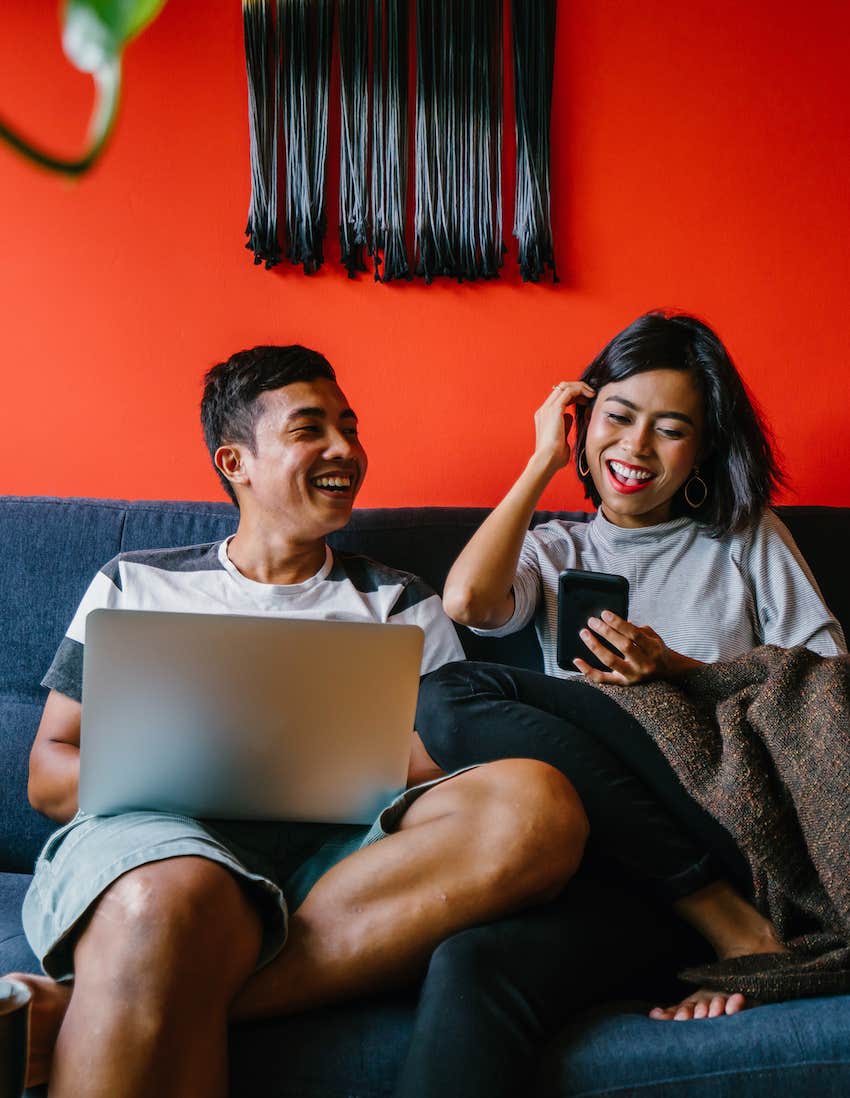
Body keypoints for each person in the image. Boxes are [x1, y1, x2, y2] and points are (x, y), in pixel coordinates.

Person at [5, 345, 589, 1098]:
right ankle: (156, 971)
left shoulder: (400, 602)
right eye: (310, 429)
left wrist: (326, 757)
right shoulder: (136, 582)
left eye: (349, 427)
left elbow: (456, 757)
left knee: (534, 804)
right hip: (159, 851)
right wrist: (197, 771)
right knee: (171, 898)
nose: (345, 448)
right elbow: (49, 772)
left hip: (347, 862)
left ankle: (100, 1007)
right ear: (236, 461)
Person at [401, 311, 846, 1096]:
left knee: (450, 696)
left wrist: (675, 669)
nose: (635, 449)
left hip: (722, 812)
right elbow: (468, 601)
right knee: (471, 963)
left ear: (702, 448)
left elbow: (826, 684)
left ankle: (730, 914)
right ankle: (724, 930)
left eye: (670, 429)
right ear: (584, 422)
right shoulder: (554, 549)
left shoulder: (743, 537)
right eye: (617, 417)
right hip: (615, 862)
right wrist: (543, 456)